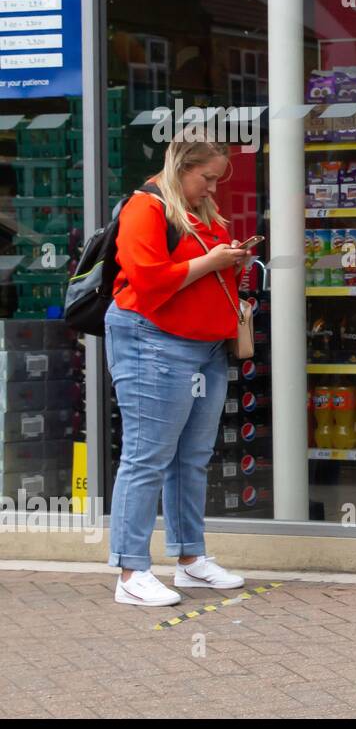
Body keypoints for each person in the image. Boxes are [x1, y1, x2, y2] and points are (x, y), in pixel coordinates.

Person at [108, 139, 252, 607]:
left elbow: (193, 272)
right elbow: (148, 279)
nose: (211, 188)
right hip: (154, 338)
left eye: (217, 179)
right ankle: (131, 571)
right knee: (147, 457)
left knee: (190, 457)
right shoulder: (145, 207)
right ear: (181, 168)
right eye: (206, 178)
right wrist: (212, 261)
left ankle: (190, 560)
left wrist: (232, 260)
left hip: (203, 344)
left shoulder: (197, 210)